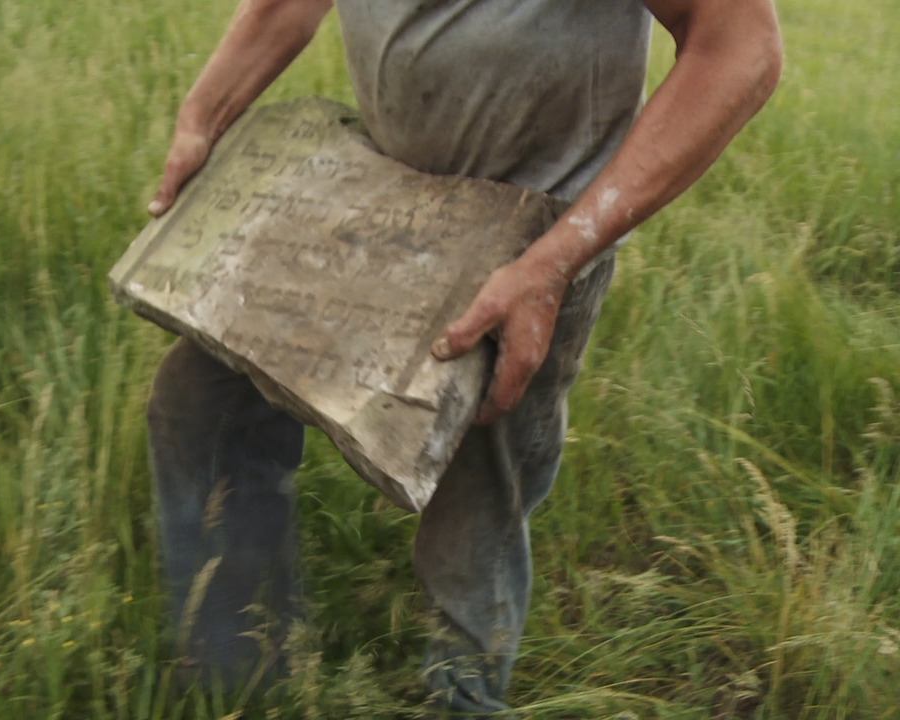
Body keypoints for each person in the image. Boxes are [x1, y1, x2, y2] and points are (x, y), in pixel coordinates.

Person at [143, 0, 782, 714]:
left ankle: (459, 699)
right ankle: (238, 687)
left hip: (531, 237)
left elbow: (740, 48)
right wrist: (202, 116)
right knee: (202, 406)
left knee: (475, 504)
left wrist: (553, 263)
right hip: (377, 194)